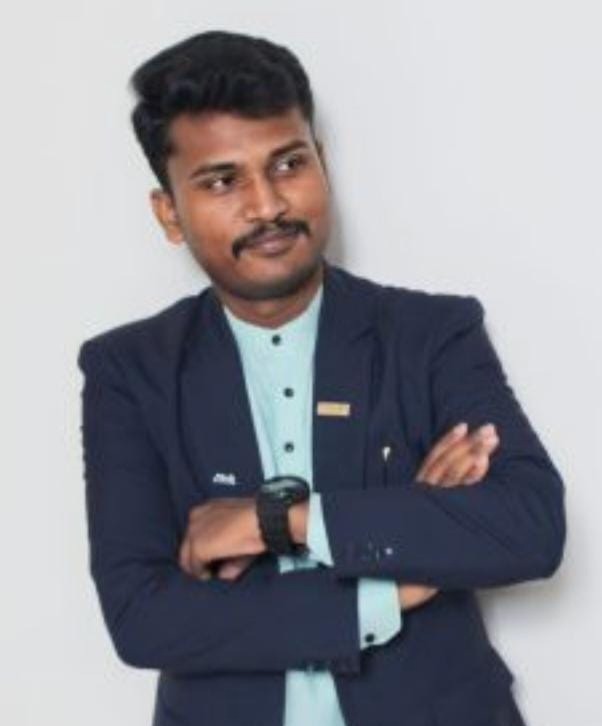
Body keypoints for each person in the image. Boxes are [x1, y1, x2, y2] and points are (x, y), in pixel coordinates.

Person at [77, 30, 566, 726]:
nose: (267, 204)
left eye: (288, 163)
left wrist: (278, 521)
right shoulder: (129, 370)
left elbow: (530, 527)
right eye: (222, 181)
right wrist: (396, 584)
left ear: (322, 163)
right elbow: (143, 619)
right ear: (169, 213)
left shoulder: (431, 334)